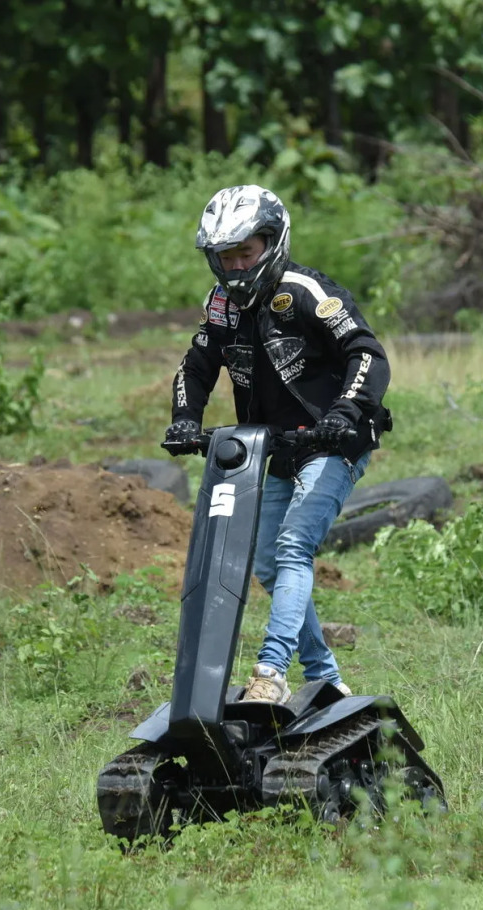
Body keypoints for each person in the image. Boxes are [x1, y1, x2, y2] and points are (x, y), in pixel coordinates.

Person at [163, 184, 391, 703]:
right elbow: (196, 366)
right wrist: (185, 420)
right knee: (267, 560)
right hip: (277, 450)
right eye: (226, 256)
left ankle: (271, 672)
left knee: (293, 547)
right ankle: (327, 679)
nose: (237, 266)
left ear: (272, 241)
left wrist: (344, 412)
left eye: (246, 252)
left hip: (335, 442)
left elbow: (367, 354)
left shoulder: (306, 291)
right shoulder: (221, 304)